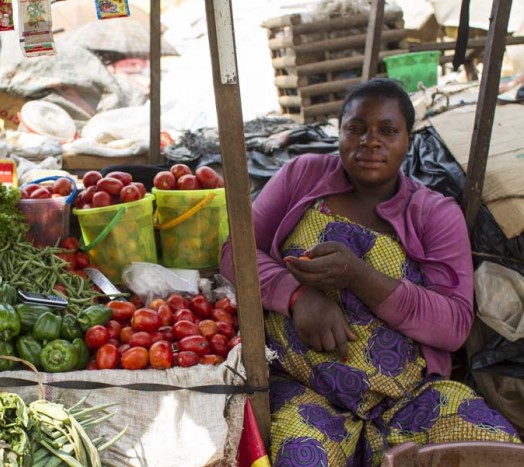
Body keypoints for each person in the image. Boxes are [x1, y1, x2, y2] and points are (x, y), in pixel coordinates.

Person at [219, 78, 521, 466]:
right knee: (302, 459)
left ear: (408, 140)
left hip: (411, 398)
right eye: (356, 129)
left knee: (493, 453)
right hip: (304, 388)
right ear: (339, 133)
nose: (370, 142)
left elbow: (454, 324)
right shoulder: (302, 175)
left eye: (388, 131)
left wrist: (360, 276)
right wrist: (297, 296)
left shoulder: (434, 212)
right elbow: (234, 252)